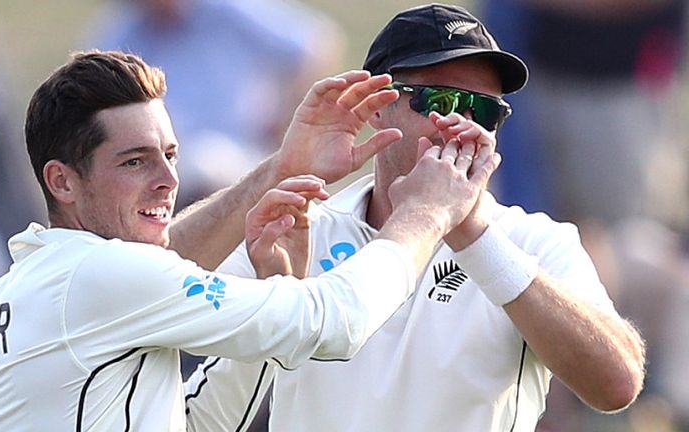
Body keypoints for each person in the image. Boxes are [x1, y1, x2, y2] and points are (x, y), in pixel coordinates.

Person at [0, 50, 499, 430]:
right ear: (61, 180)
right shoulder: (97, 276)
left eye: (169, 155)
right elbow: (339, 321)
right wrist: (427, 214)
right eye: (134, 161)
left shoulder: (8, 297)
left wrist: (280, 187)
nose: (167, 181)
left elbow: (200, 425)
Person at [185, 4, 647, 432]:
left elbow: (617, 386)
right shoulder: (298, 229)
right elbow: (200, 410)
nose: (465, 124)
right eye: (441, 101)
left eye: (486, 110)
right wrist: (280, 175)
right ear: (376, 104)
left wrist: (472, 230)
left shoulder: (535, 243)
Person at [89, 0, 345, 210]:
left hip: (238, 150)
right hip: (163, 156)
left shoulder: (226, 11)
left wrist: (284, 116)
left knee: (204, 167)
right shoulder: (127, 32)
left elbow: (313, 47)